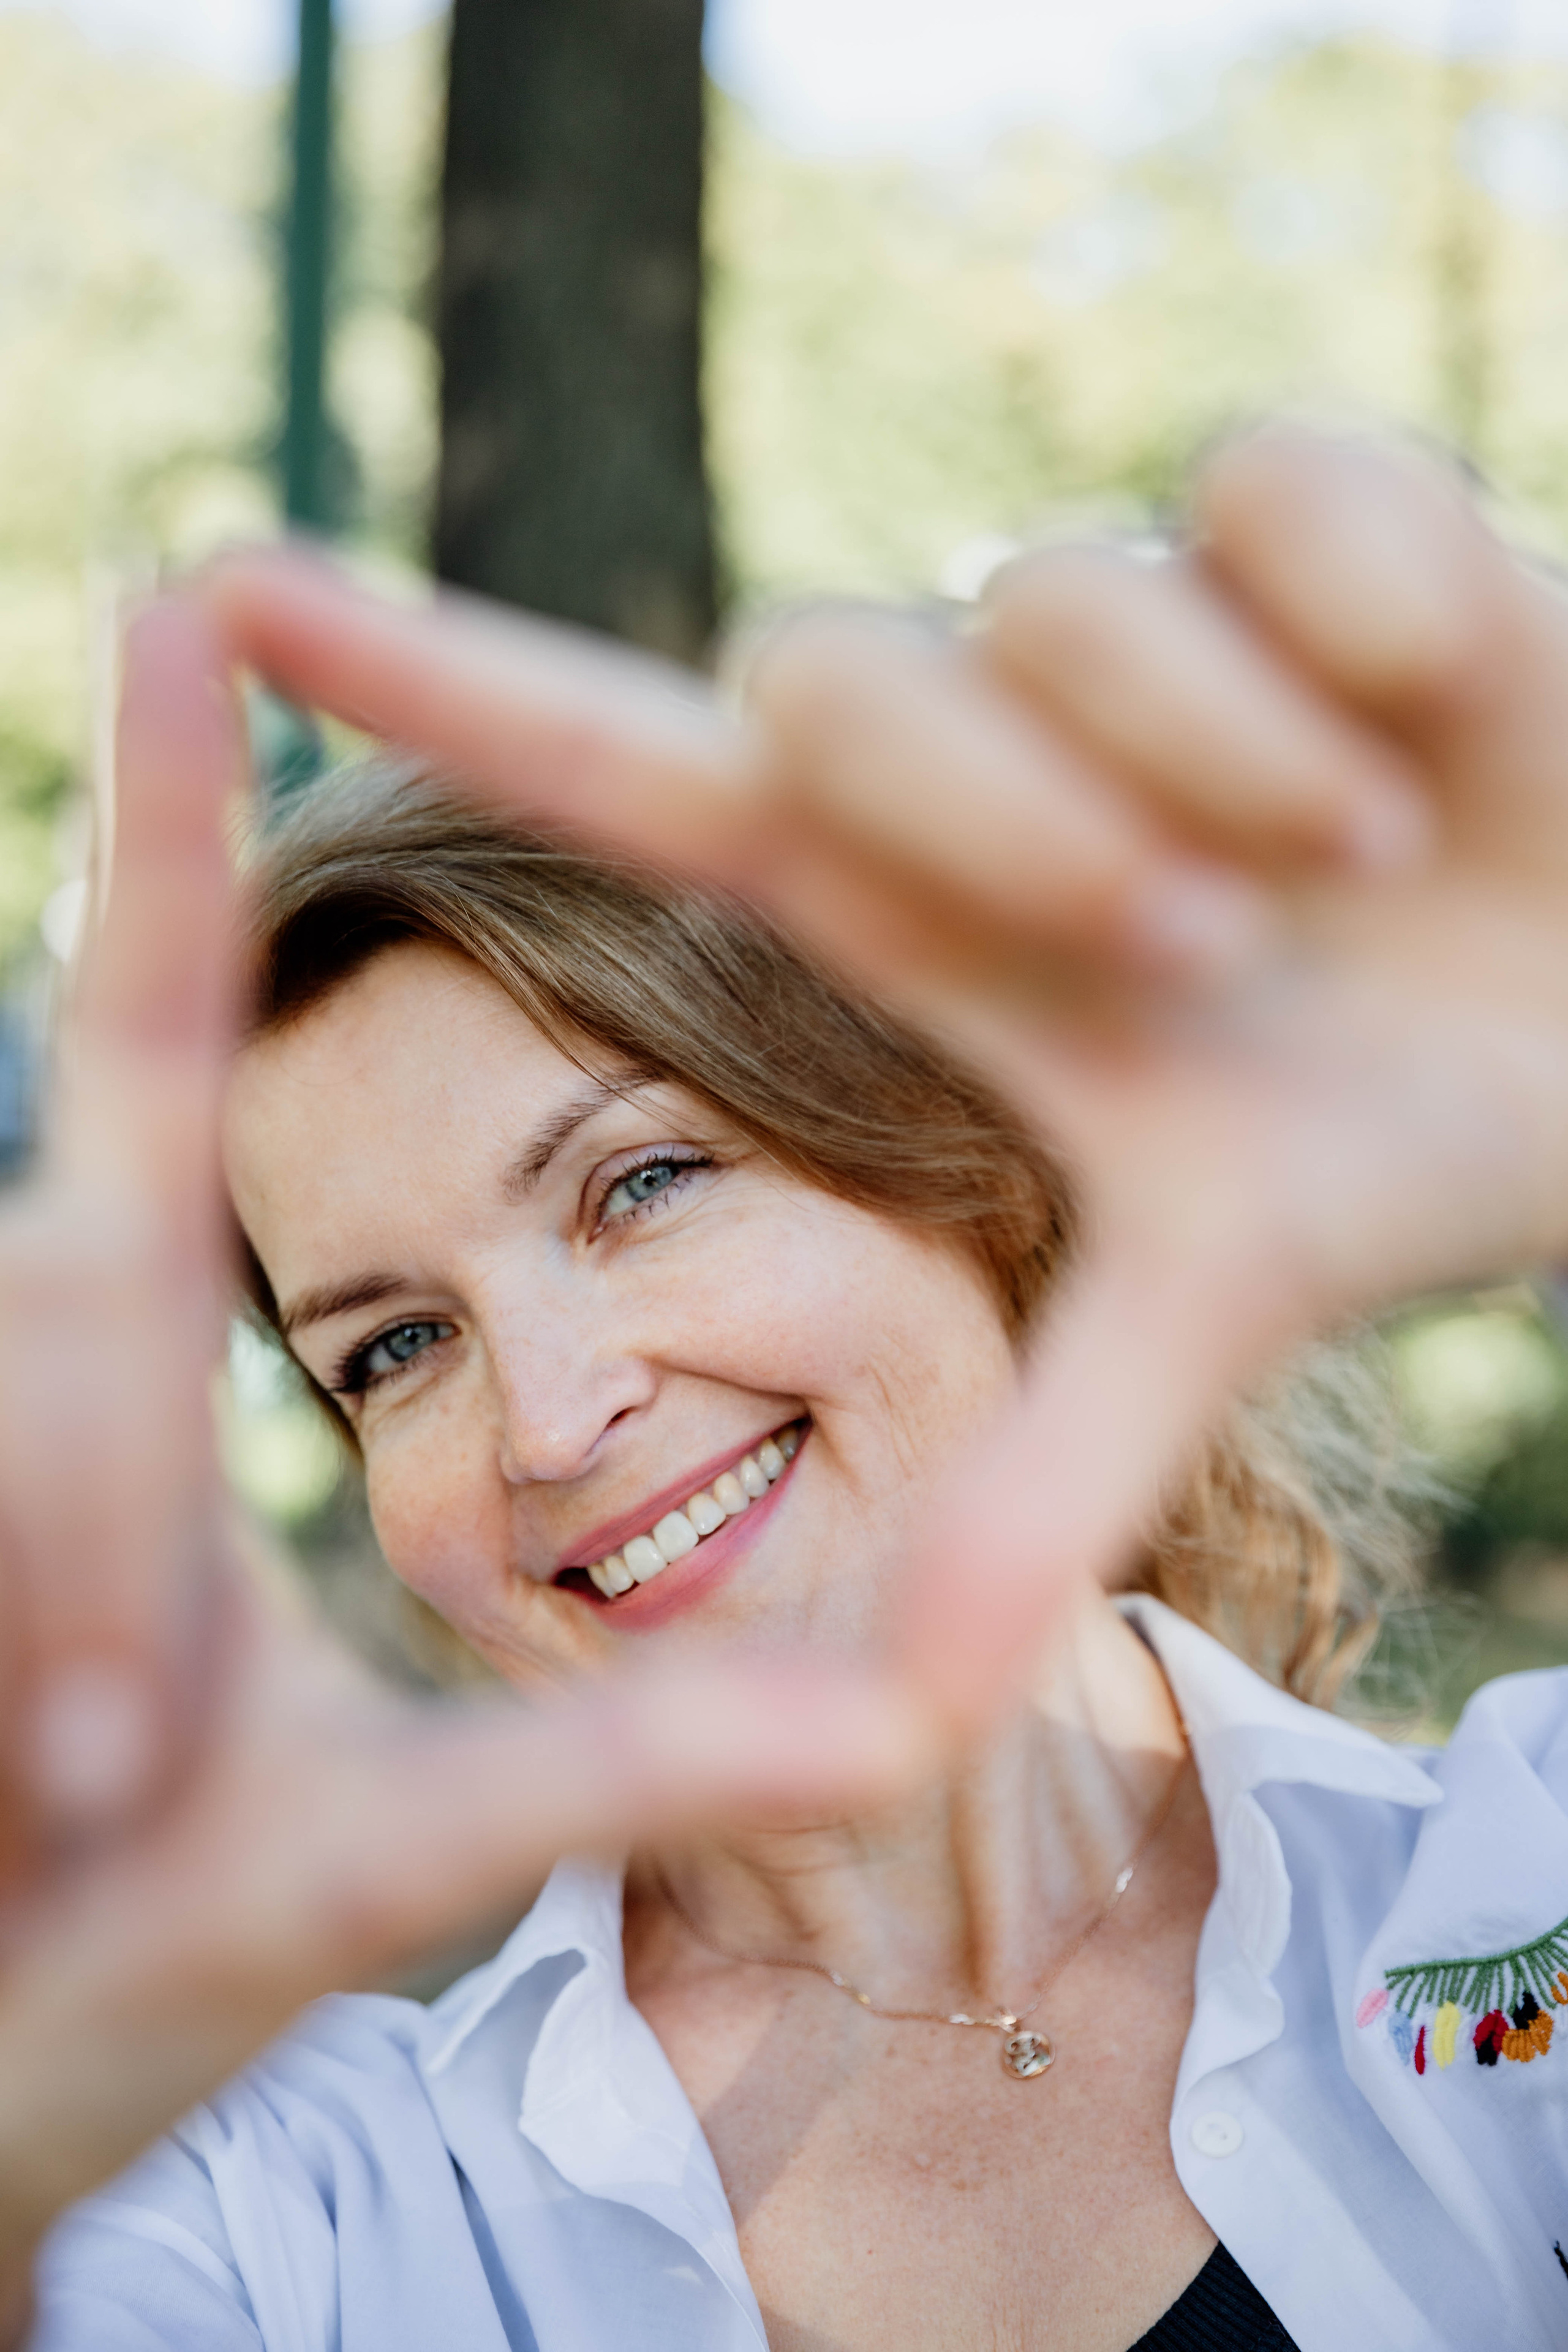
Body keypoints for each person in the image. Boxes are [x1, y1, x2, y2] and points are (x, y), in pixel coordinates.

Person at [2, 424, 1567, 2350]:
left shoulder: (1523, 1896)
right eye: (393, 1346)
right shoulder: (281, 2216)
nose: (550, 1422)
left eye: (641, 1184)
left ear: (968, 1166)